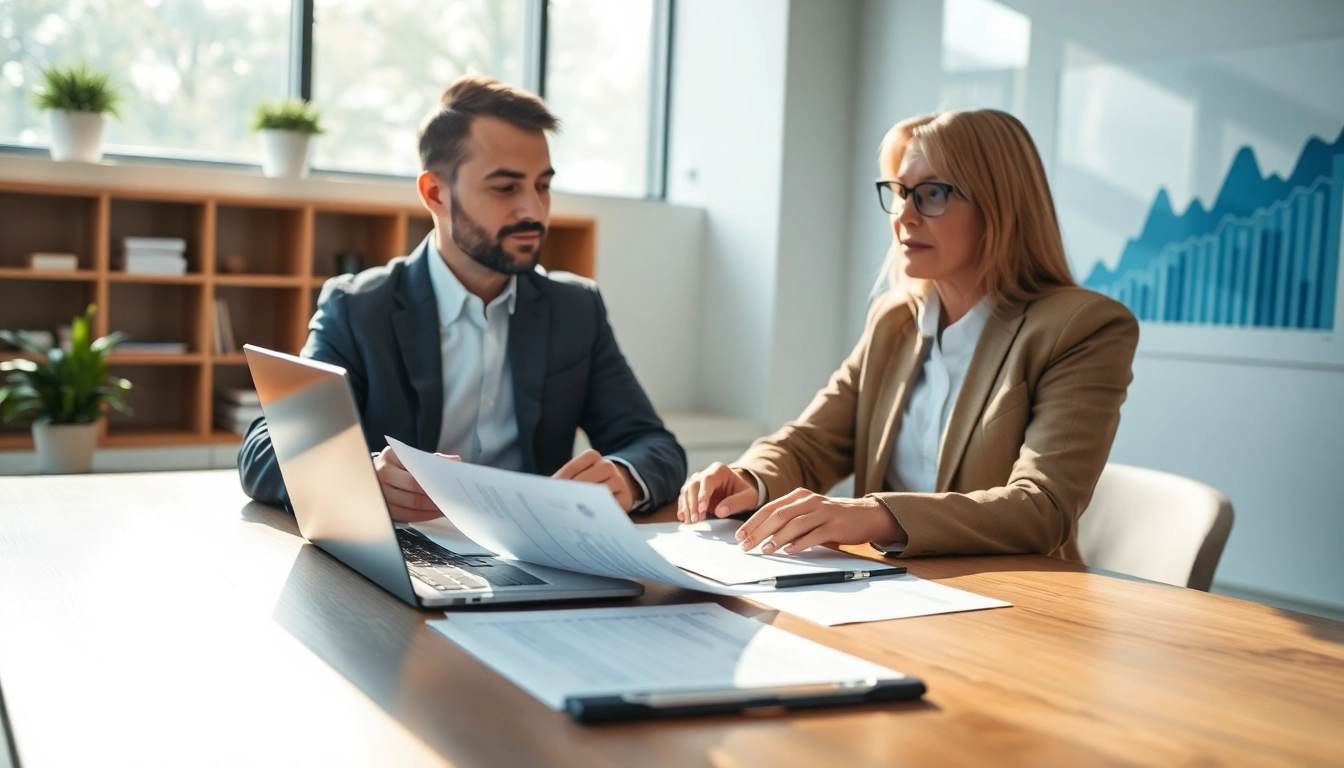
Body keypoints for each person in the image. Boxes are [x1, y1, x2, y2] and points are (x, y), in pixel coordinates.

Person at [679, 109, 1138, 562]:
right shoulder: (894, 321)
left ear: (1000, 207)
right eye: (900, 193)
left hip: (1013, 604)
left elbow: (1042, 508)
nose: (904, 216)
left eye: (932, 193)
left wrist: (874, 514)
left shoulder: (1082, 327)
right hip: (888, 592)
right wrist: (748, 479)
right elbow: (811, 443)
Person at [239, 76, 685, 520]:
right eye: (505, 187)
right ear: (435, 193)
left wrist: (623, 477)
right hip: (406, 558)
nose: (533, 210)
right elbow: (265, 449)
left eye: (542, 185)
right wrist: (361, 477)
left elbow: (654, 445)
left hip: (537, 558)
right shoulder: (358, 309)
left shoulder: (576, 309)